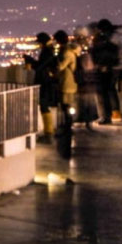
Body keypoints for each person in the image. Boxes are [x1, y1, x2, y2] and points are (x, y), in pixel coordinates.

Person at [26, 32, 61, 137]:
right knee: (44, 105)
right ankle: (48, 130)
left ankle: (48, 131)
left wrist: (30, 61)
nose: (39, 45)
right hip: (47, 81)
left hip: (45, 82)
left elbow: (40, 66)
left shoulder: (47, 52)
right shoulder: (50, 50)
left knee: (44, 105)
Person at [91, 19, 122, 123]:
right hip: (111, 69)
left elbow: (100, 55)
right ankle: (113, 114)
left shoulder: (104, 42)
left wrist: (102, 65)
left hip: (106, 70)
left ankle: (106, 116)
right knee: (110, 91)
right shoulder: (113, 40)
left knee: (104, 93)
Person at [52, 29, 77, 158]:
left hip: (67, 82)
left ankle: (68, 126)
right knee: (65, 105)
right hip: (66, 82)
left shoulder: (66, 52)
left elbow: (61, 66)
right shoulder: (67, 51)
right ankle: (67, 126)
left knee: (66, 105)